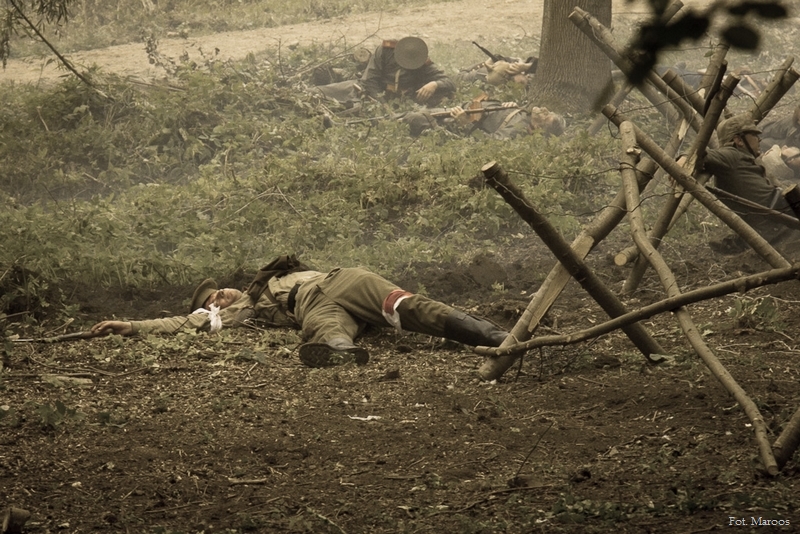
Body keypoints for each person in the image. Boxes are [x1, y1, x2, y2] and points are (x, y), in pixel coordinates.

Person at [90, 255, 509, 368]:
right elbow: (183, 323)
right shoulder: (243, 311)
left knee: (406, 306)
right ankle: (343, 354)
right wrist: (132, 326)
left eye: (219, 291)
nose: (222, 296)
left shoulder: (267, 277)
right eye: (214, 301)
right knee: (325, 329)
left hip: (340, 281)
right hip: (310, 306)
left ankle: (497, 337)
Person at [696, 113, 800, 252]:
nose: (759, 139)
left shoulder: (740, 157)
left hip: (781, 214)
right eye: (754, 136)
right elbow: (701, 155)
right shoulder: (731, 155)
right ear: (739, 140)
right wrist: (684, 158)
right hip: (778, 224)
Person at [309, 37, 456, 108]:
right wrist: (383, 106)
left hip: (399, 103)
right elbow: (370, 80)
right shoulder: (385, 50)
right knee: (316, 93)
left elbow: (449, 82)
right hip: (365, 92)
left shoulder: (422, 62)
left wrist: (434, 84)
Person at [403, 96, 566, 140]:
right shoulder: (524, 113)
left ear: (538, 128)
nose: (545, 110)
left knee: (414, 118)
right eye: (549, 111)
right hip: (458, 112)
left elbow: (488, 142)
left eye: (546, 116)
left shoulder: (517, 132)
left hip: (455, 129)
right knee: (413, 113)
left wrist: (465, 123)